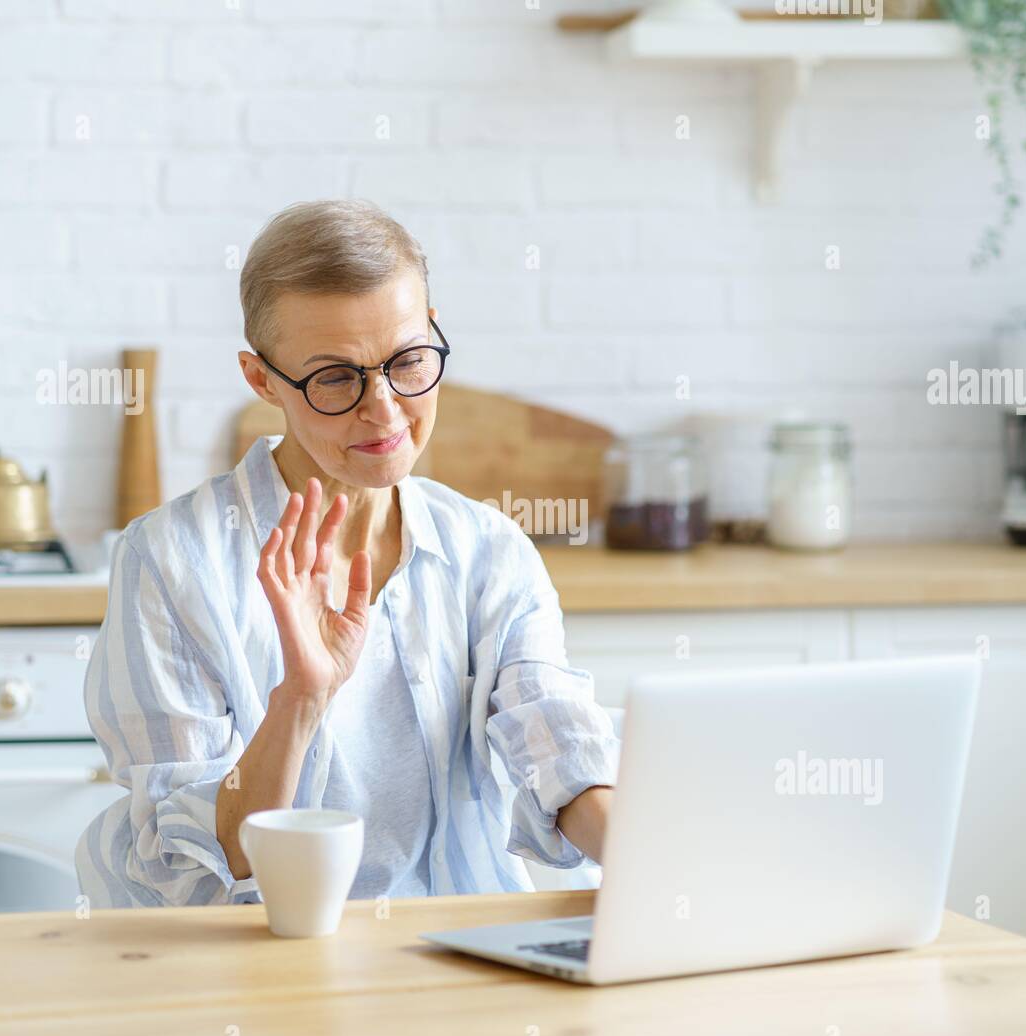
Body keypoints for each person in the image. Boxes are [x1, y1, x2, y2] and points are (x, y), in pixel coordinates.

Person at [76, 199, 619, 907]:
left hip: (443, 946)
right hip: (243, 958)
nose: (386, 409)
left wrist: (661, 866)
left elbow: (557, 746)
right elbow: (203, 860)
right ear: (262, 379)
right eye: (336, 377)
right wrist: (302, 696)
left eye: (409, 360)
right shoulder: (173, 561)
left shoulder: (489, 549)